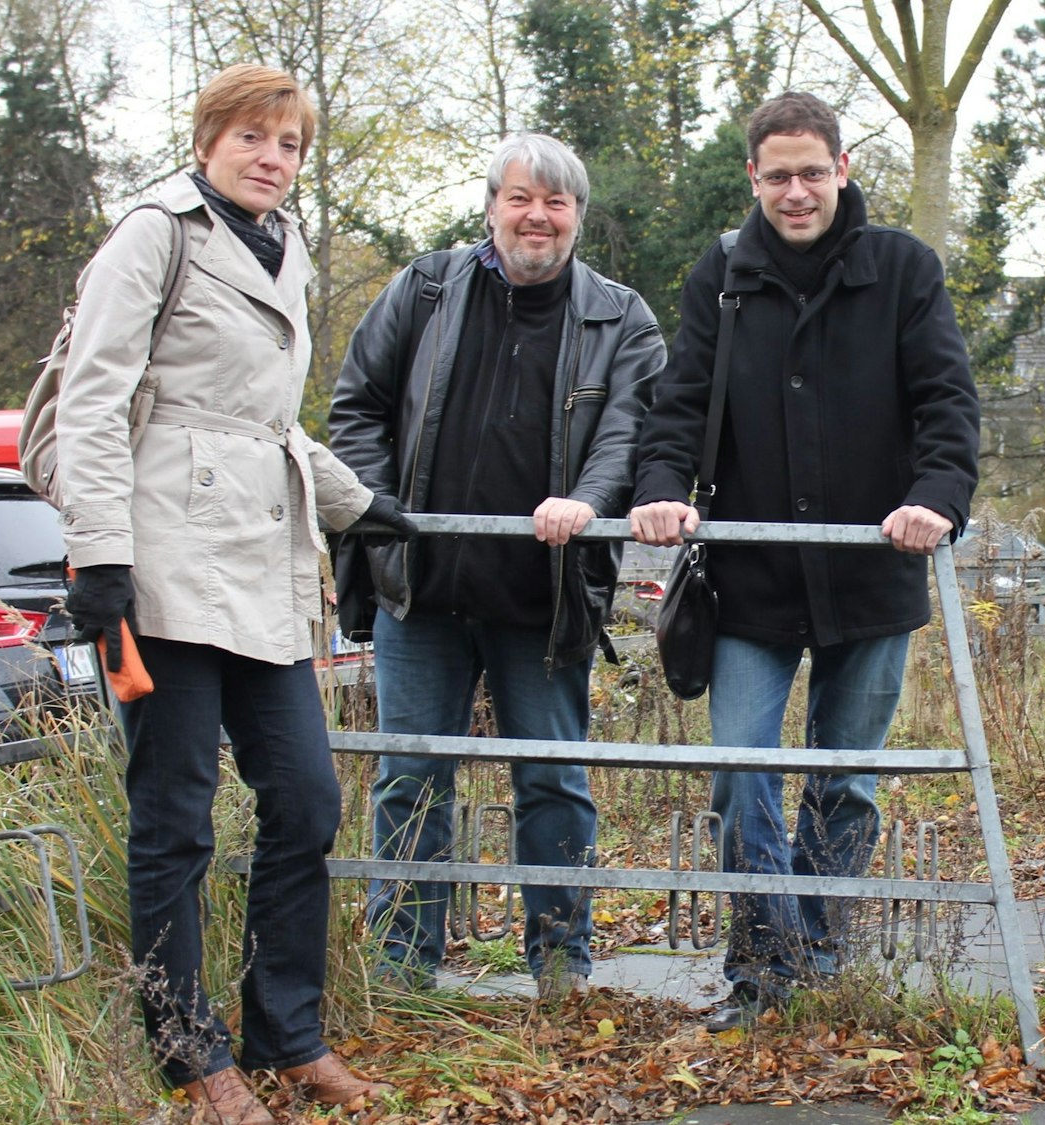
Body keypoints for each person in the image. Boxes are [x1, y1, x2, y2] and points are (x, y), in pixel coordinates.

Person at [52, 64, 407, 1124]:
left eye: (289, 144)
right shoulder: (153, 235)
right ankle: (189, 1054)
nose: (272, 157)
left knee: (305, 799)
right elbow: (93, 398)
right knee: (176, 817)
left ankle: (285, 1033)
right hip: (159, 561)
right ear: (207, 139)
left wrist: (355, 505)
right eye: (253, 137)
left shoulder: (283, 246)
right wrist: (100, 556)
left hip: (258, 564)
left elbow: (266, 421)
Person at [628, 91, 980, 1030]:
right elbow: (677, 405)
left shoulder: (902, 269)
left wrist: (935, 500)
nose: (795, 192)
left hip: (873, 572)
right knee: (743, 769)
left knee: (846, 780)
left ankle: (817, 959)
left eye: (812, 173)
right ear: (754, 177)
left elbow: (948, 404)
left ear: (843, 170)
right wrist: (661, 490)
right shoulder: (724, 276)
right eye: (777, 175)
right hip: (750, 580)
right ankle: (768, 968)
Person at [327, 134, 663, 997]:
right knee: (410, 777)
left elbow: (631, 434)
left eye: (557, 204)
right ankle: (402, 966)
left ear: (578, 218)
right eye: (522, 198)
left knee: (552, 778)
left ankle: (560, 962)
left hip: (542, 598)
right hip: (422, 592)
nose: (538, 218)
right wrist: (375, 509)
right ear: (491, 207)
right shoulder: (427, 289)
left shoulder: (620, 317)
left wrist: (587, 502)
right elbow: (357, 404)